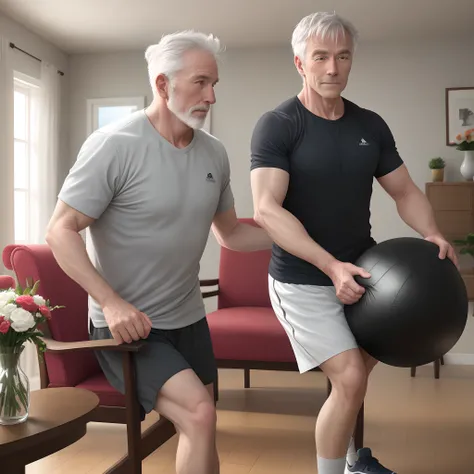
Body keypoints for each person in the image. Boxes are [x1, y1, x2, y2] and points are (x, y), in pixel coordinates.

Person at [46, 30, 272, 474]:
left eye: (214, 85)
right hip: (128, 328)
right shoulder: (115, 144)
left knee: (201, 420)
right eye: (200, 82)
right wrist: (110, 303)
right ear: (164, 85)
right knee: (200, 414)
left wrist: (296, 234)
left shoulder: (214, 153)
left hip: (188, 319)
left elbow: (230, 234)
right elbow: (60, 231)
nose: (210, 95)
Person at [249, 11, 458, 474]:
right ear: (300, 63)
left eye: (342, 56)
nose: (332, 68)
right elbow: (267, 209)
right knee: (348, 379)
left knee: (356, 378)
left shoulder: (370, 125)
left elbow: (404, 191)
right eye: (320, 57)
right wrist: (330, 266)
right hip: (303, 280)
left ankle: (350, 460)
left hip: (365, 273)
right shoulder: (279, 125)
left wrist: (433, 233)